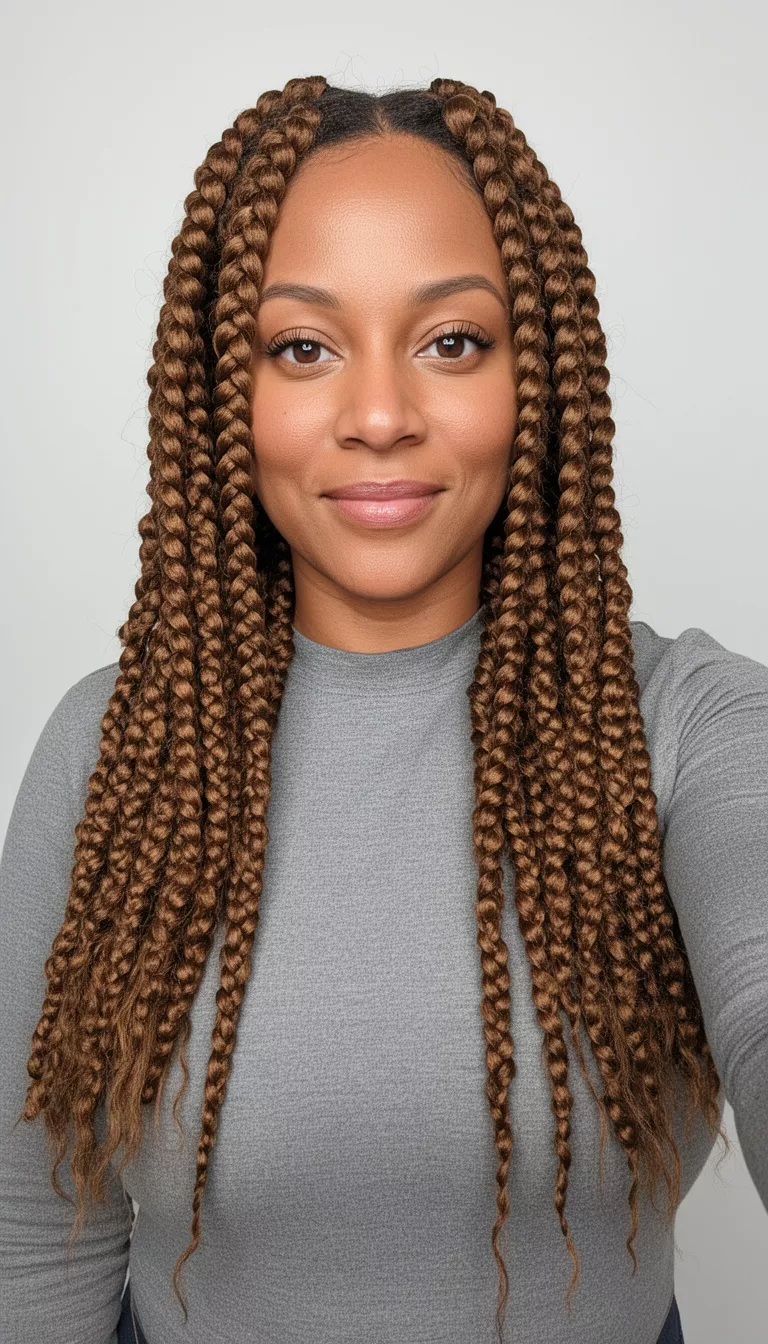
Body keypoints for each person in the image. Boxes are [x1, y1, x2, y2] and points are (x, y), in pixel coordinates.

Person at [0, 75, 765, 1344]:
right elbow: (29, 1237)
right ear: (220, 396)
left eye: (452, 340)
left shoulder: (682, 725)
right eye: (302, 347)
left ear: (541, 377)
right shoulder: (114, 751)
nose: (377, 417)